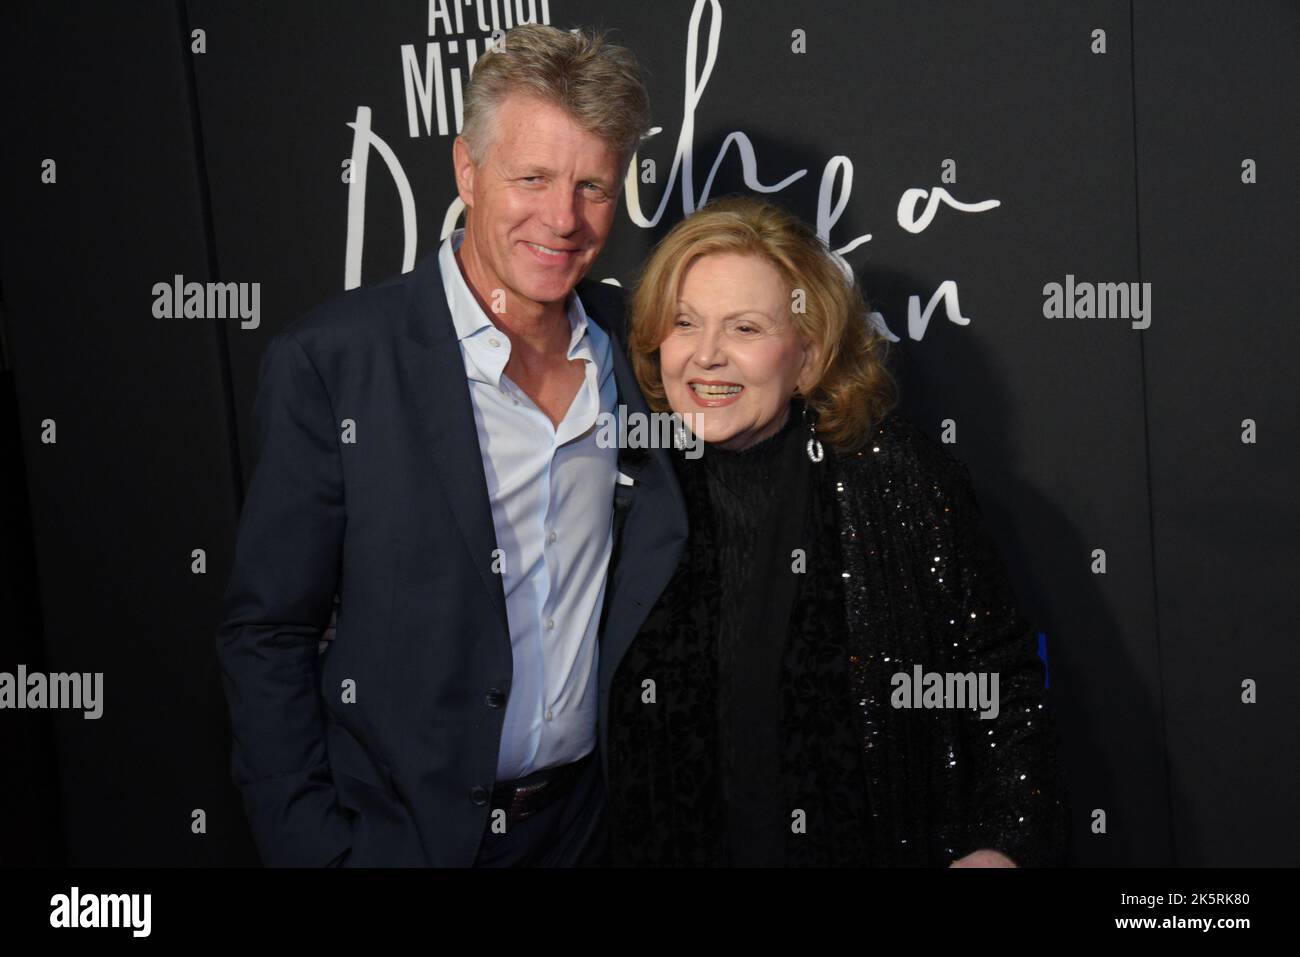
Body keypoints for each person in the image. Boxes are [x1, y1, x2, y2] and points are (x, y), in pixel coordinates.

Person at [214, 23, 688, 867]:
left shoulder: (640, 348)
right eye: (532, 178)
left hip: (589, 832)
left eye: (593, 187)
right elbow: (269, 632)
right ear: (467, 170)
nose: (563, 219)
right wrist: (315, 850)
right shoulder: (334, 363)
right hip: (402, 839)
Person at [605, 195, 1070, 867]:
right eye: (684, 323)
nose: (706, 356)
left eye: (744, 328)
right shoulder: (631, 488)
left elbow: (1002, 683)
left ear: (808, 352)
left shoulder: (893, 475)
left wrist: (1003, 844)